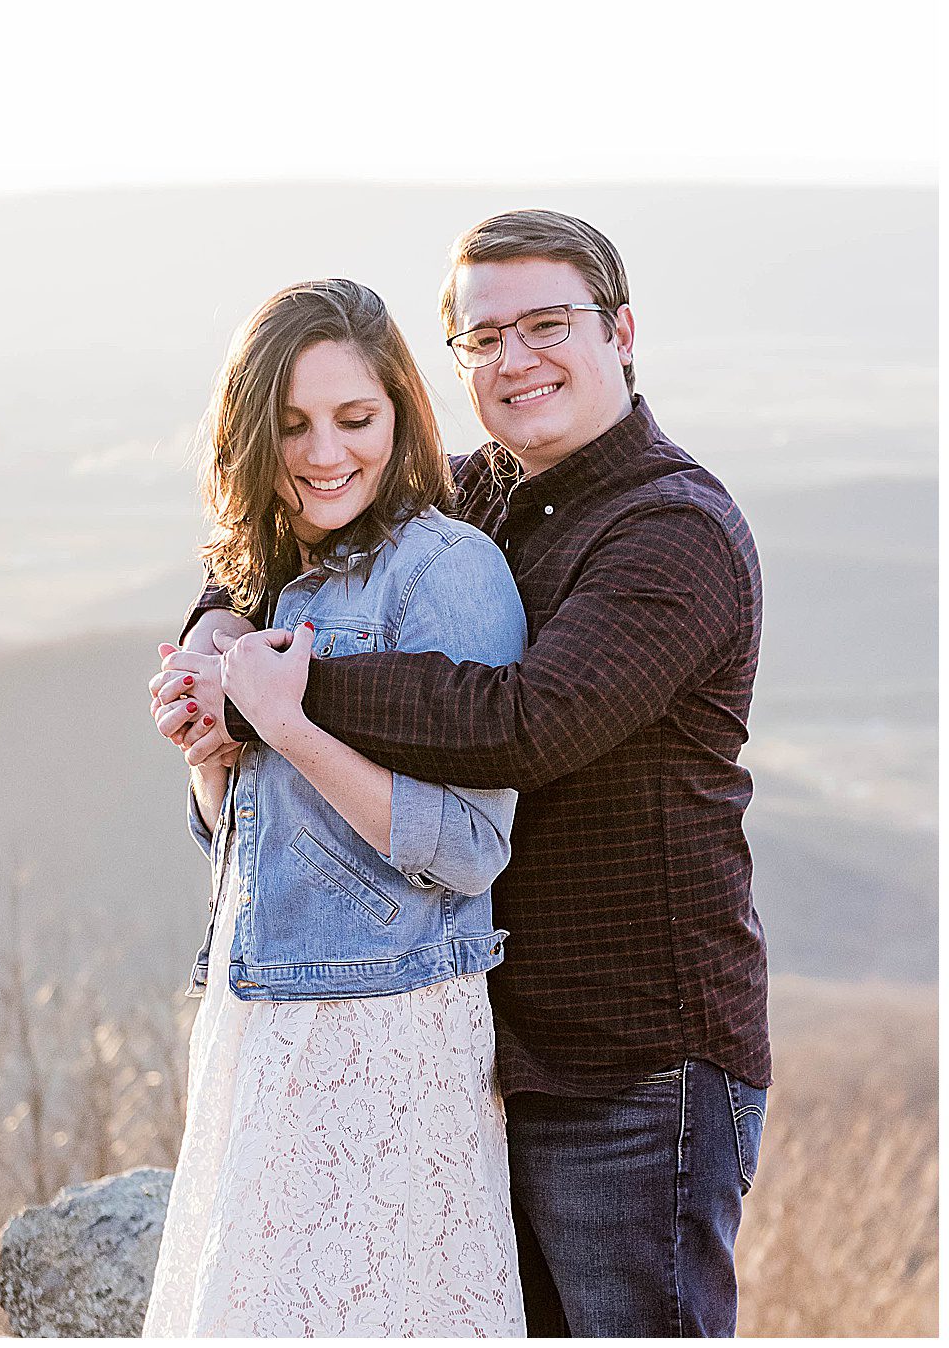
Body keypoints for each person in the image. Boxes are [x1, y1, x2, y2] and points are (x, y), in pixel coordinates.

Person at [160, 211, 768, 1336]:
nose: (514, 359)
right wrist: (212, 633)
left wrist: (283, 692)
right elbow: (306, 521)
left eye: (546, 324)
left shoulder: (669, 531)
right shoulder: (485, 489)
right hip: (498, 1040)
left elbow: (523, 724)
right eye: (483, 337)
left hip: (640, 1060)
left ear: (620, 331)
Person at [141, 278, 528, 1337]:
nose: (323, 454)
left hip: (387, 1036)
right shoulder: (262, 576)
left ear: (400, 413)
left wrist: (287, 723)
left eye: (354, 419)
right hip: (258, 1018)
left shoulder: (447, 571)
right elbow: (252, 838)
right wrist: (207, 748)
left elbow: (468, 848)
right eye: (292, 425)